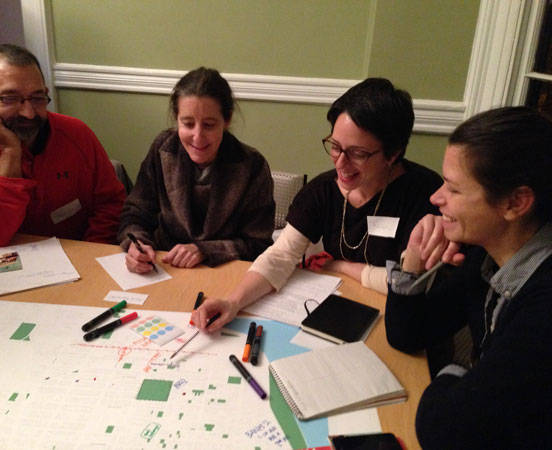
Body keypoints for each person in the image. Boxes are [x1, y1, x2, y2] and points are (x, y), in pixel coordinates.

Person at [192, 77, 442, 330]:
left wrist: (340, 265)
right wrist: (233, 302)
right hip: (341, 310)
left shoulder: (425, 196)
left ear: (394, 153)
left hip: (398, 322)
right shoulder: (322, 190)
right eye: (335, 146)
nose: (340, 163)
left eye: (357, 153)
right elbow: (281, 255)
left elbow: (408, 282)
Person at [385, 107, 552, 449]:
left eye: (455, 190)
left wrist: (459, 377)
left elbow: (444, 431)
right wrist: (413, 258)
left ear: (515, 202)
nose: (436, 197)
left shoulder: (543, 304)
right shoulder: (487, 254)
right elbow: (408, 334)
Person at [0, 44, 126, 255]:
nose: (28, 113)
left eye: (37, 98)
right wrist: (10, 152)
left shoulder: (76, 132)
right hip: (2, 255)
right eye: (10, 98)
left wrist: (89, 255)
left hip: (77, 250)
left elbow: (110, 205)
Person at [118, 67, 275, 270]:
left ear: (226, 121)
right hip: (162, 266)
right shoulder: (163, 149)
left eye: (209, 124)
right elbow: (135, 213)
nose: (198, 136)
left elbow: (258, 243)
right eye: (188, 123)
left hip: (222, 273)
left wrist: (206, 250)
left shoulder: (251, 165)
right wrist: (136, 244)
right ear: (176, 118)